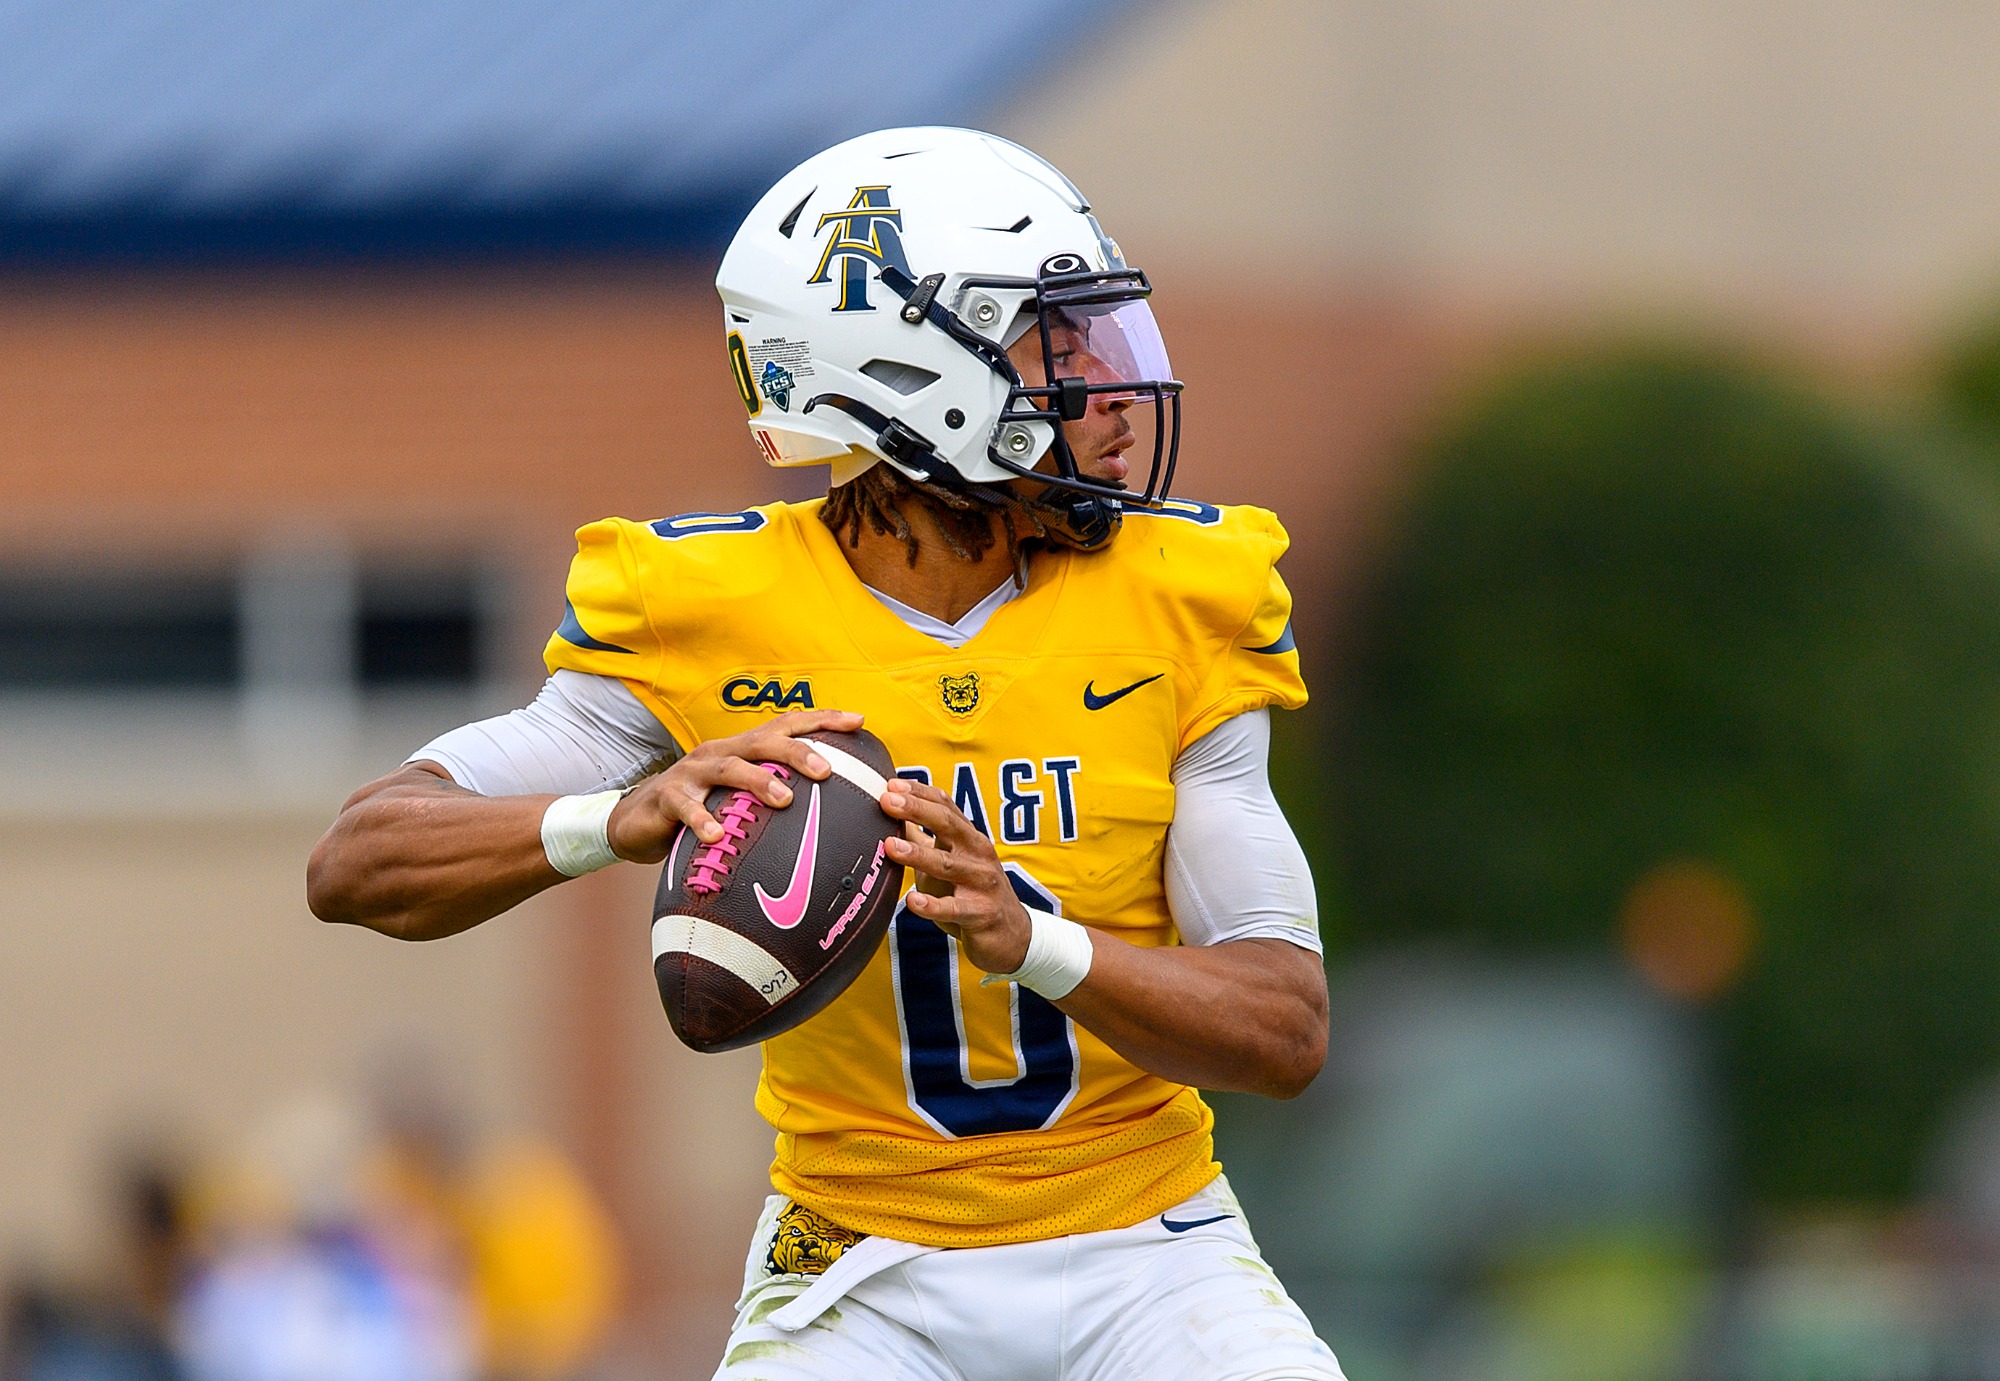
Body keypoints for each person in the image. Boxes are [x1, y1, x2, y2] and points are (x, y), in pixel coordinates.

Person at [308, 127, 1344, 1381]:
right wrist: (614, 815)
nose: (1112, 391)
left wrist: (1033, 939)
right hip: (858, 1264)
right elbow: (357, 861)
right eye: (1052, 344)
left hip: (1150, 1245)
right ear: (908, 368)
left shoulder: (1185, 592)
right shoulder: (706, 604)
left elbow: (1281, 1029)